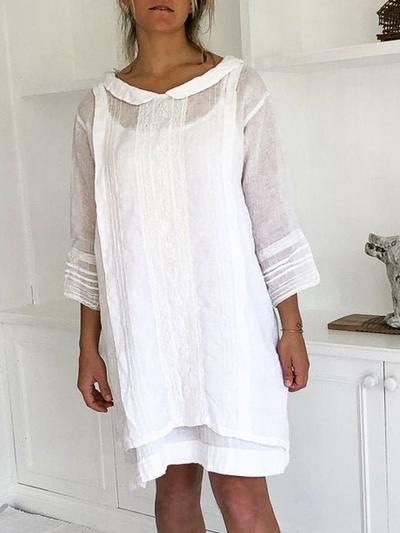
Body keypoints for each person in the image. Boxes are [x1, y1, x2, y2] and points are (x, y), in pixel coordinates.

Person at [63, 1, 321, 531]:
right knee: (174, 485)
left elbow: (271, 217)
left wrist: (291, 328)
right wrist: (89, 346)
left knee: (240, 489)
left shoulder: (238, 88)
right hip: (147, 337)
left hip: (231, 332)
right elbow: (91, 241)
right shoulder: (98, 111)